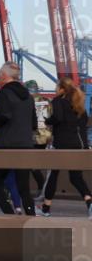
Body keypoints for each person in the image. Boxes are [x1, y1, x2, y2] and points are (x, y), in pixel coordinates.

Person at [39, 78, 92, 218]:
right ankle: (89, 202)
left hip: (62, 145)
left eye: (57, 87)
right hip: (80, 145)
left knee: (53, 175)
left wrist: (47, 121)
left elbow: (58, 118)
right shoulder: (78, 104)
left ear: (61, 88)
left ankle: (46, 208)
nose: (56, 90)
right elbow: (84, 121)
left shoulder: (58, 101)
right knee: (75, 177)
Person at [0, 62, 37, 216]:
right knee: (24, 187)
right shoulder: (28, 96)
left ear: (4, 76)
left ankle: (9, 216)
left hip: (6, 144)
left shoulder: (4, 93)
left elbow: (5, 115)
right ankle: (31, 217)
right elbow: (34, 123)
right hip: (26, 144)